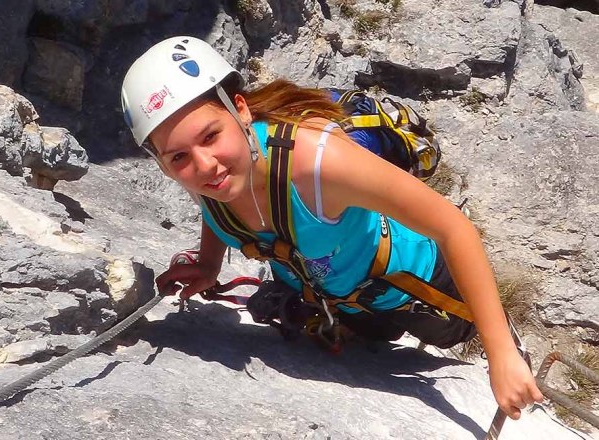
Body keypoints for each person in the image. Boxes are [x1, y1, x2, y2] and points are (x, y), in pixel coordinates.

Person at [120, 35, 542, 419]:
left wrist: (501, 352)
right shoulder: (208, 178)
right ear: (162, 163)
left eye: (210, 136)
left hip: (417, 285)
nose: (204, 166)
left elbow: (454, 228)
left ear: (241, 110)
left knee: (453, 334)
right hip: (337, 301)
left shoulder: (318, 165)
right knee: (376, 336)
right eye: (177, 157)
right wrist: (209, 263)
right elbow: (215, 207)